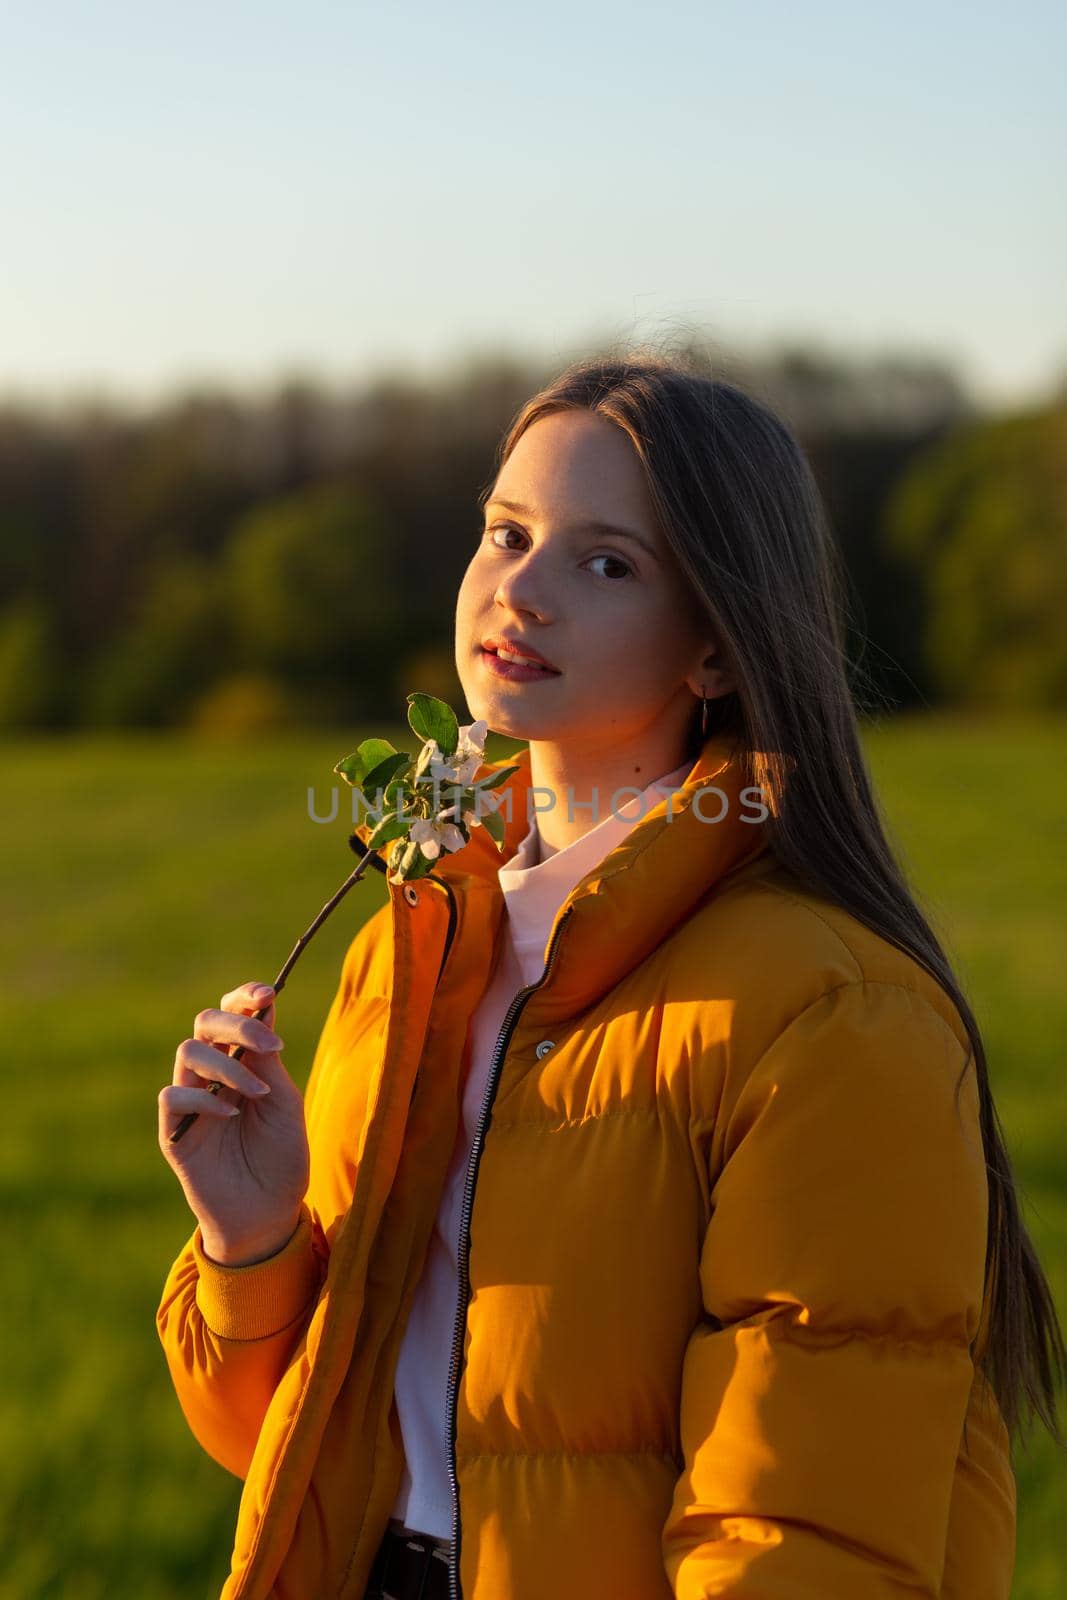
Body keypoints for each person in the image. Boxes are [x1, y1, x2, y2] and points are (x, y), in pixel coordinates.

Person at [156, 353, 1063, 1600]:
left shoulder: (829, 1013)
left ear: (713, 652)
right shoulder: (409, 948)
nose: (518, 590)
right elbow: (290, 1454)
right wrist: (250, 1238)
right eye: (505, 532)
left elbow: (801, 1544)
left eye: (605, 562)